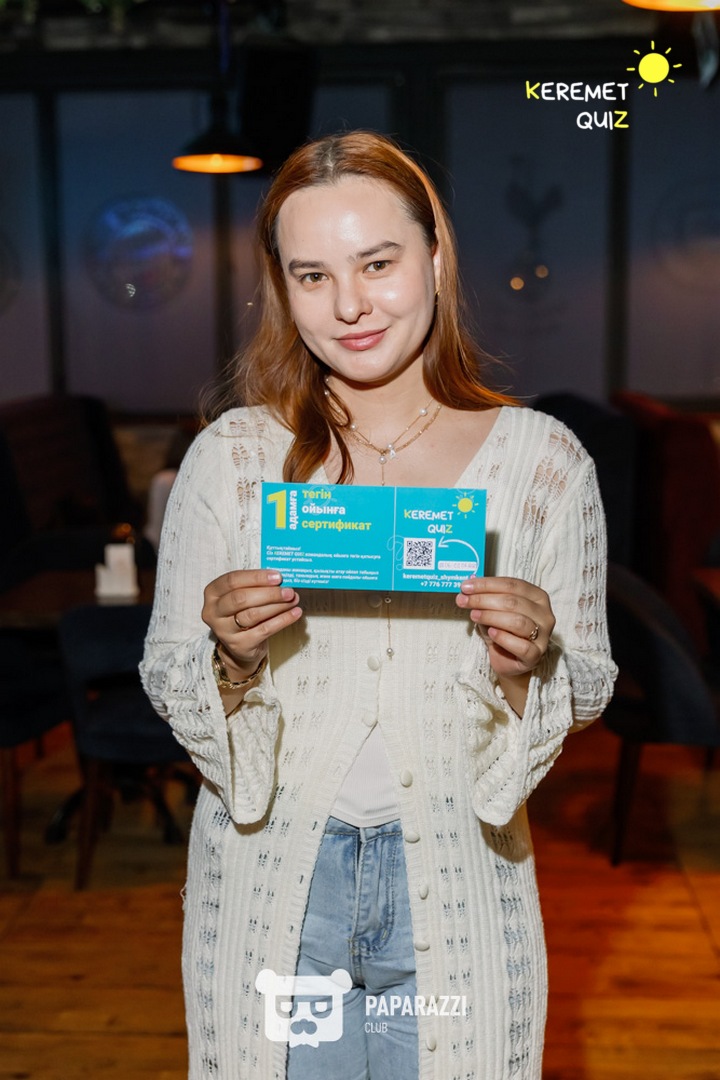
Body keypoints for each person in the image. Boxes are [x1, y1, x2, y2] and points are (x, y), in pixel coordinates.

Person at [140, 131, 617, 1080]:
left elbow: (589, 682)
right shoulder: (232, 460)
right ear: (283, 289)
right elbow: (167, 672)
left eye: (378, 263)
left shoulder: (543, 464)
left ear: (435, 258)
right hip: (276, 883)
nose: (349, 305)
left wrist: (526, 667)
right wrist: (229, 659)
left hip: (457, 876)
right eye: (312, 275)